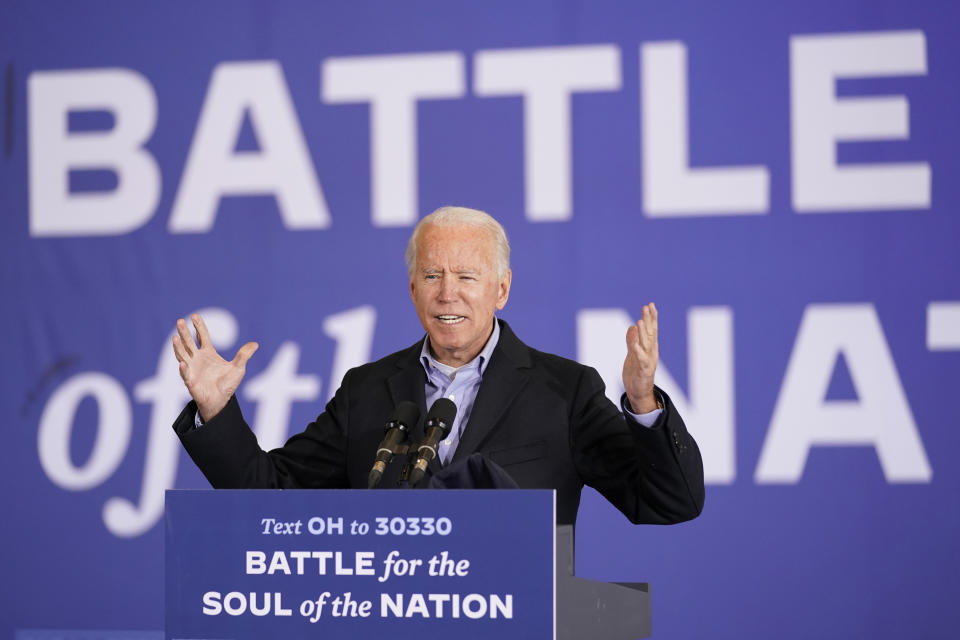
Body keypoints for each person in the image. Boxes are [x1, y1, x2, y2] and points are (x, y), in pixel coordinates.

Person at [172, 206, 704, 526]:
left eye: (467, 277)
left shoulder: (564, 391)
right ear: (411, 289)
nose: (447, 293)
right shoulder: (367, 391)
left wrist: (642, 403)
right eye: (431, 276)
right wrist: (217, 411)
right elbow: (273, 494)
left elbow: (669, 501)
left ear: (502, 289)